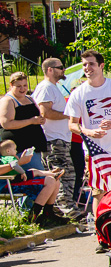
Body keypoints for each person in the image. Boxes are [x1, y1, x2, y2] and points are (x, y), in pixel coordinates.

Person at [66, 51, 111, 224]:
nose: (87, 68)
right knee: (98, 191)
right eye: (84, 65)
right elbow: (72, 124)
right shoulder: (79, 93)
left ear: (101, 65)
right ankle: (100, 233)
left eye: (91, 64)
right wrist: (87, 132)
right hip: (95, 152)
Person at [33, 57, 83, 223]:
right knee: (65, 175)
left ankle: (58, 210)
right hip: (53, 140)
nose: (63, 70)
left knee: (65, 174)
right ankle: (66, 210)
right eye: (60, 67)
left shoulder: (53, 88)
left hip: (60, 139)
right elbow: (45, 113)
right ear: (49, 70)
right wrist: (69, 115)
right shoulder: (46, 87)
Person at [0, 139, 66, 226]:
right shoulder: (7, 157)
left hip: (13, 180)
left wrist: (20, 162)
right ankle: (32, 218)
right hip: (6, 185)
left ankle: (48, 214)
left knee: (54, 180)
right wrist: (20, 162)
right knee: (50, 181)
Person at [0, 72, 48, 173]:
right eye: (19, 86)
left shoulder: (29, 98)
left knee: (41, 174)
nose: (22, 89)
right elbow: (6, 124)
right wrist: (31, 121)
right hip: (20, 148)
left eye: (25, 85)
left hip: (34, 146)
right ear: (11, 85)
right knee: (40, 178)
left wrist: (40, 120)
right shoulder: (8, 101)